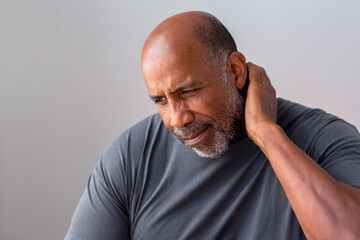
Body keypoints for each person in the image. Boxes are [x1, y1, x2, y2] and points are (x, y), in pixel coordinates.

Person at [65, 11, 360, 239]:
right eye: (160, 100)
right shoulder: (131, 157)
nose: (177, 119)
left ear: (235, 71)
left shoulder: (324, 139)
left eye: (189, 92)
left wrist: (267, 134)